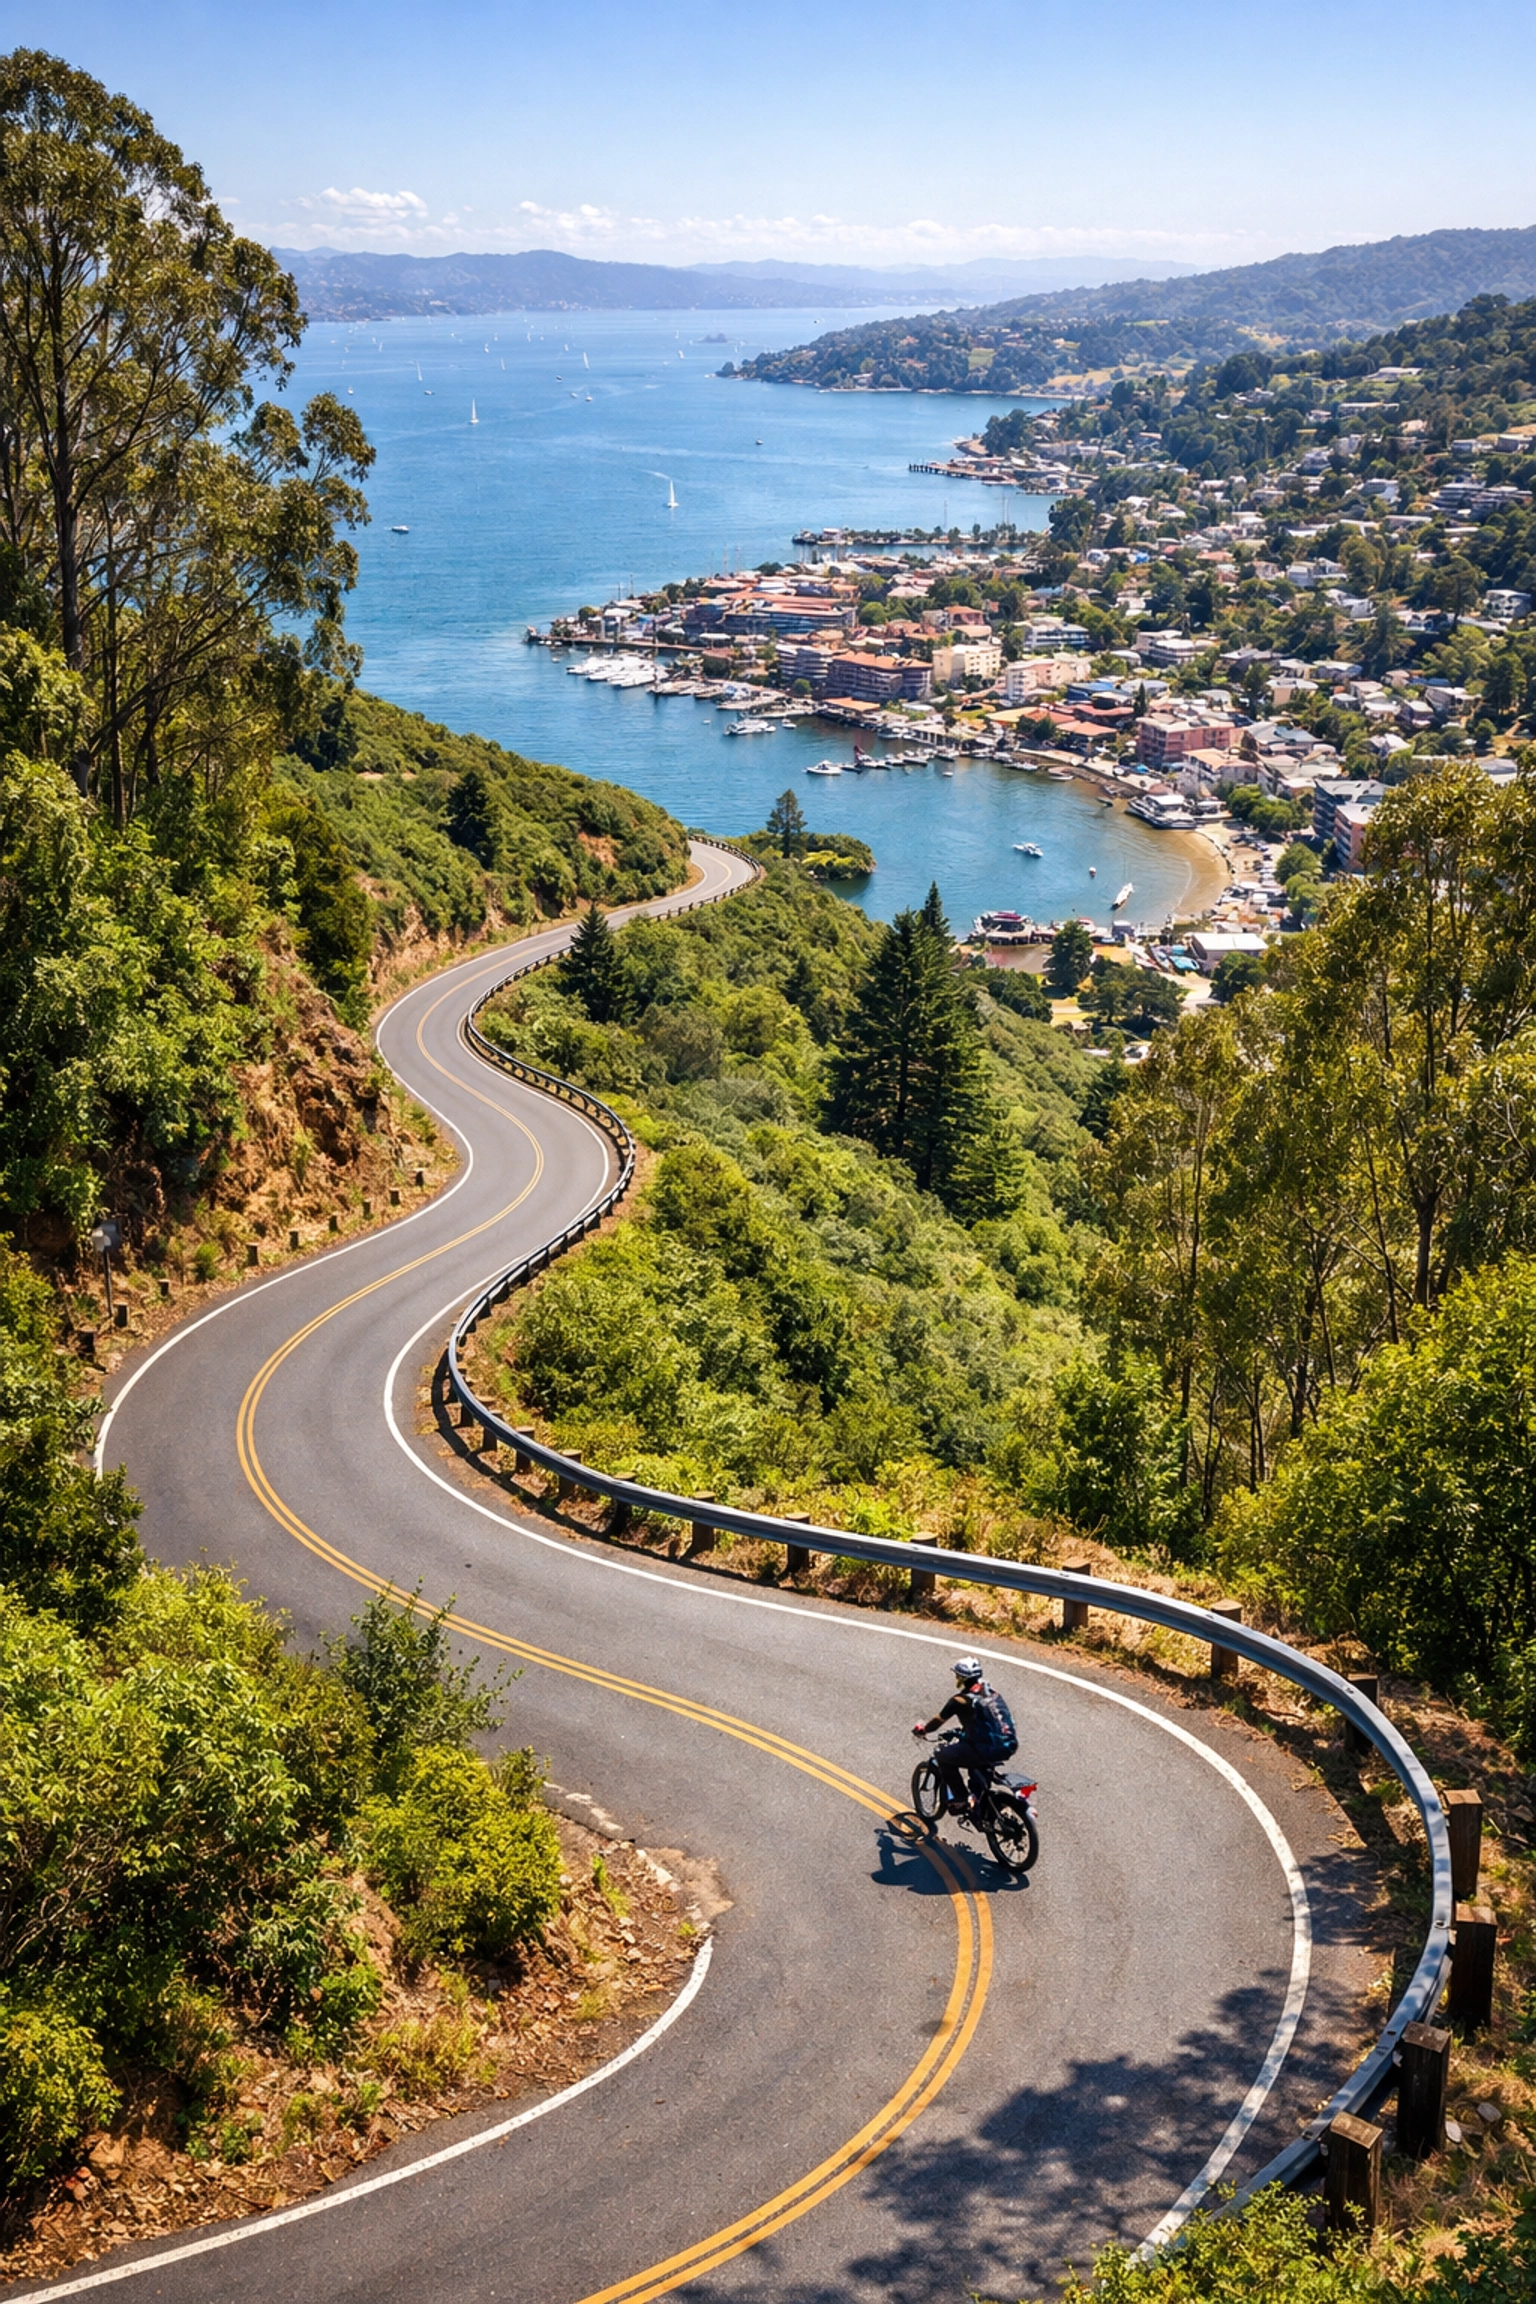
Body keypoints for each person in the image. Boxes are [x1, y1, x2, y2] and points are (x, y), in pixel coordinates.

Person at [913, 1656, 1017, 1814]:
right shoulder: (992, 1693)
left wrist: (923, 1729)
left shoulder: (959, 1701)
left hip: (984, 1748)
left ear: (961, 1678)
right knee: (976, 1762)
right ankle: (979, 1799)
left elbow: (937, 1721)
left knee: (942, 1756)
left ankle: (962, 1798)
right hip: (1008, 1744)